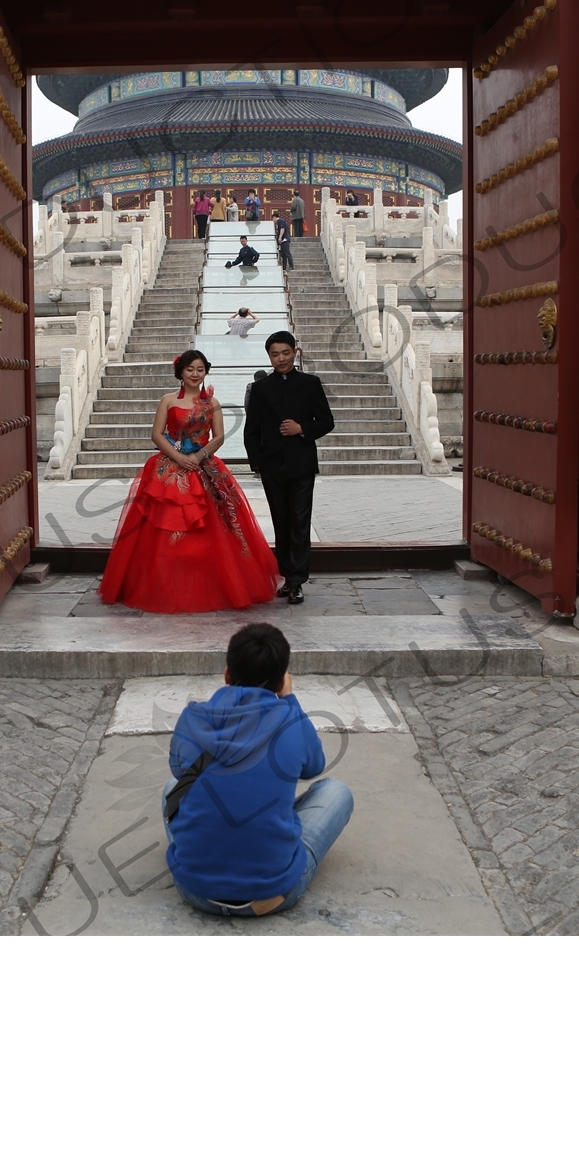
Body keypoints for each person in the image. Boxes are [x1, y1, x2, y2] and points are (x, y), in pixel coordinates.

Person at [163, 621, 354, 918]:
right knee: (336, 792)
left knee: (169, 790)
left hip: (196, 891)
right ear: (281, 683)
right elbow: (314, 765)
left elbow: (179, 772)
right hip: (274, 894)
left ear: (227, 674)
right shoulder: (289, 717)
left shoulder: (193, 718)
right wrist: (290, 700)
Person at [99, 350, 280, 612]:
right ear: (180, 372)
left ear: (205, 372)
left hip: (205, 466)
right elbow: (157, 434)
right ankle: (160, 587)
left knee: (220, 527)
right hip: (169, 467)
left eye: (200, 370)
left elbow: (218, 437)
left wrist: (199, 455)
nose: (195, 374)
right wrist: (178, 458)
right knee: (161, 527)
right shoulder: (168, 400)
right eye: (190, 369)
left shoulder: (212, 403)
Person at [243, 330, 334, 604]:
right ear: (268, 357)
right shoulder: (260, 388)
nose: (280, 358)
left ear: (295, 352)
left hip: (301, 464)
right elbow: (252, 429)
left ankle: (297, 582)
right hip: (271, 465)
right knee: (281, 522)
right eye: (274, 354)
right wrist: (256, 460)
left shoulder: (310, 383)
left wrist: (301, 428)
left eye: (285, 352)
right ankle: (286, 576)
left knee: (299, 522)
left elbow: (327, 421)